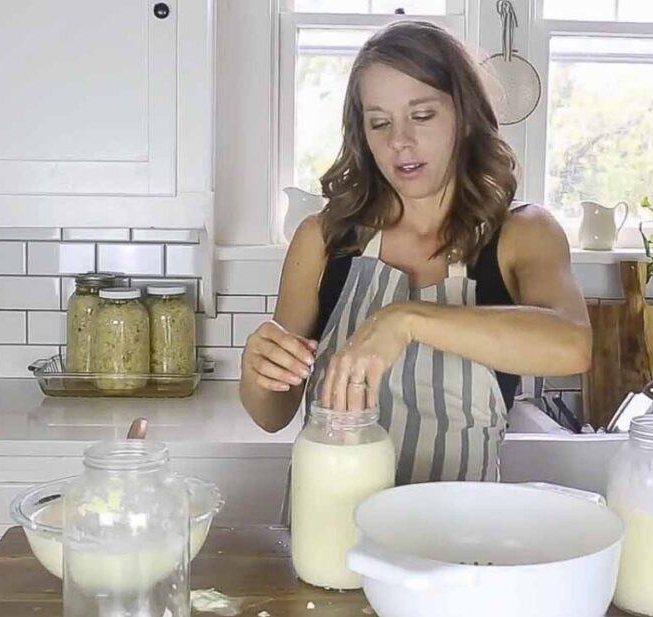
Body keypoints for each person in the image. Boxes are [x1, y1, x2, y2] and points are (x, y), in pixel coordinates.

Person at [239, 20, 590, 484]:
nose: (398, 140)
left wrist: (405, 320)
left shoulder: (522, 234)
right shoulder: (324, 239)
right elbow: (273, 413)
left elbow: (572, 345)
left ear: (464, 118)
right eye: (379, 122)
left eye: (421, 116)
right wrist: (258, 371)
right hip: (331, 533)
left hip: (457, 542)